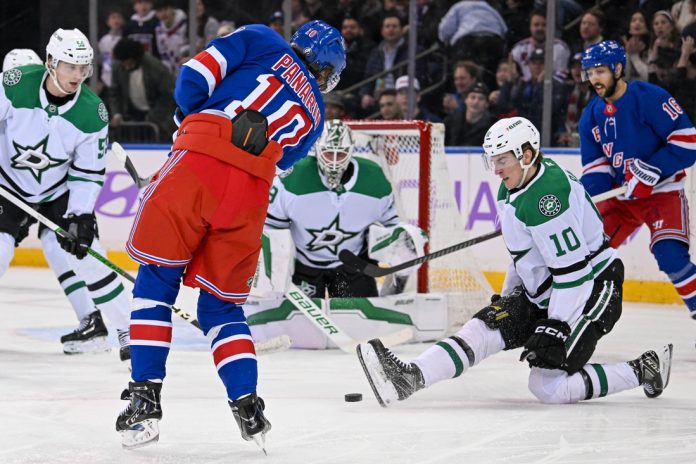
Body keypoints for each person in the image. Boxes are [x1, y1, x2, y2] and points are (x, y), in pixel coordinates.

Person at [115, 20, 345, 450]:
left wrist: (189, 123)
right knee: (222, 308)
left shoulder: (262, 38)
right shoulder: (316, 114)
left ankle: (145, 402)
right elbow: (278, 162)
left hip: (198, 161)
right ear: (328, 69)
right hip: (249, 196)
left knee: (155, 284)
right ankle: (248, 407)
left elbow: (193, 76)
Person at [355, 116, 674, 407]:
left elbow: (575, 274)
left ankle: (644, 369)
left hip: (593, 290)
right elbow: (522, 257)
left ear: (526, 155)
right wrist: (509, 296)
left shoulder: (548, 199)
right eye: (492, 160)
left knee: (547, 387)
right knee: (482, 328)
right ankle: (410, 377)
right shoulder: (512, 188)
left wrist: (557, 324)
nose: (495, 169)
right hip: (549, 289)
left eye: (502, 159)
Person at [0, 32, 132, 360]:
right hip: (8, 185)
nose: (77, 75)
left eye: (83, 68)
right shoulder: (15, 83)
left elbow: (87, 172)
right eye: (70, 67)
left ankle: (131, 332)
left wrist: (81, 215)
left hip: (58, 191)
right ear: (50, 63)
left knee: (88, 256)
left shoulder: (92, 112)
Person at [579, 40, 696, 319]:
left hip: (662, 192)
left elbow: (688, 141)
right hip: (622, 199)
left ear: (618, 69)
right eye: (590, 73)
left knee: (670, 256)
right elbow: (596, 168)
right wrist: (584, 199)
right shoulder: (591, 117)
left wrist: (652, 169)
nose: (594, 79)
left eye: (600, 71)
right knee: (584, 255)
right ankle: (571, 320)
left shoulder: (649, 97)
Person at [264, 119, 425, 299]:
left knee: (363, 316)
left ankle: (392, 297)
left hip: (352, 266)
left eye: (340, 154)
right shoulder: (292, 178)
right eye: (328, 153)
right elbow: (270, 228)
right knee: (295, 318)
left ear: (351, 151)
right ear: (317, 150)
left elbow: (393, 226)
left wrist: (406, 241)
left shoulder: (374, 180)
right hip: (303, 266)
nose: (334, 162)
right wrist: (276, 272)